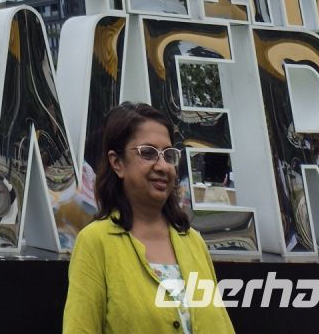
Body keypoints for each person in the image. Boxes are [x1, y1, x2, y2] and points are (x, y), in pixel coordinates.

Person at [62, 101, 236, 333]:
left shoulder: (193, 242)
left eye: (168, 155)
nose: (163, 166)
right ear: (117, 163)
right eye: (148, 153)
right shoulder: (95, 242)